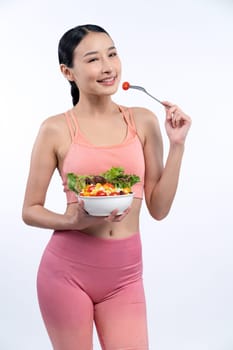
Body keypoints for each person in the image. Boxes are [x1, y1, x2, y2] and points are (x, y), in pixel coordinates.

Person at [22, 24, 191, 350]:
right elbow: (30, 210)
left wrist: (178, 146)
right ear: (67, 72)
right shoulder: (55, 129)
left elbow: (158, 208)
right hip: (66, 274)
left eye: (112, 54)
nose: (108, 66)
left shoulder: (142, 121)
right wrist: (71, 221)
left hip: (125, 278)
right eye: (93, 59)